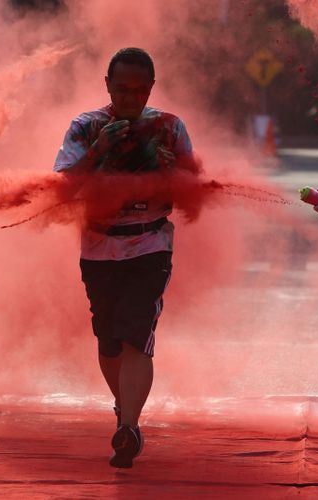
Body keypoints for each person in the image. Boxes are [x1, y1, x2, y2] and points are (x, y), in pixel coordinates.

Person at [53, 47, 195, 468]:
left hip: (150, 245)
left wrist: (174, 174)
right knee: (109, 339)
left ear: (151, 87)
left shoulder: (170, 127)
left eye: (139, 90)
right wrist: (98, 151)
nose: (131, 98)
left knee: (137, 334)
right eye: (122, 90)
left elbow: (196, 193)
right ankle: (125, 409)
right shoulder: (85, 126)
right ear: (108, 86)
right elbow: (62, 188)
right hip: (97, 248)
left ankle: (129, 428)